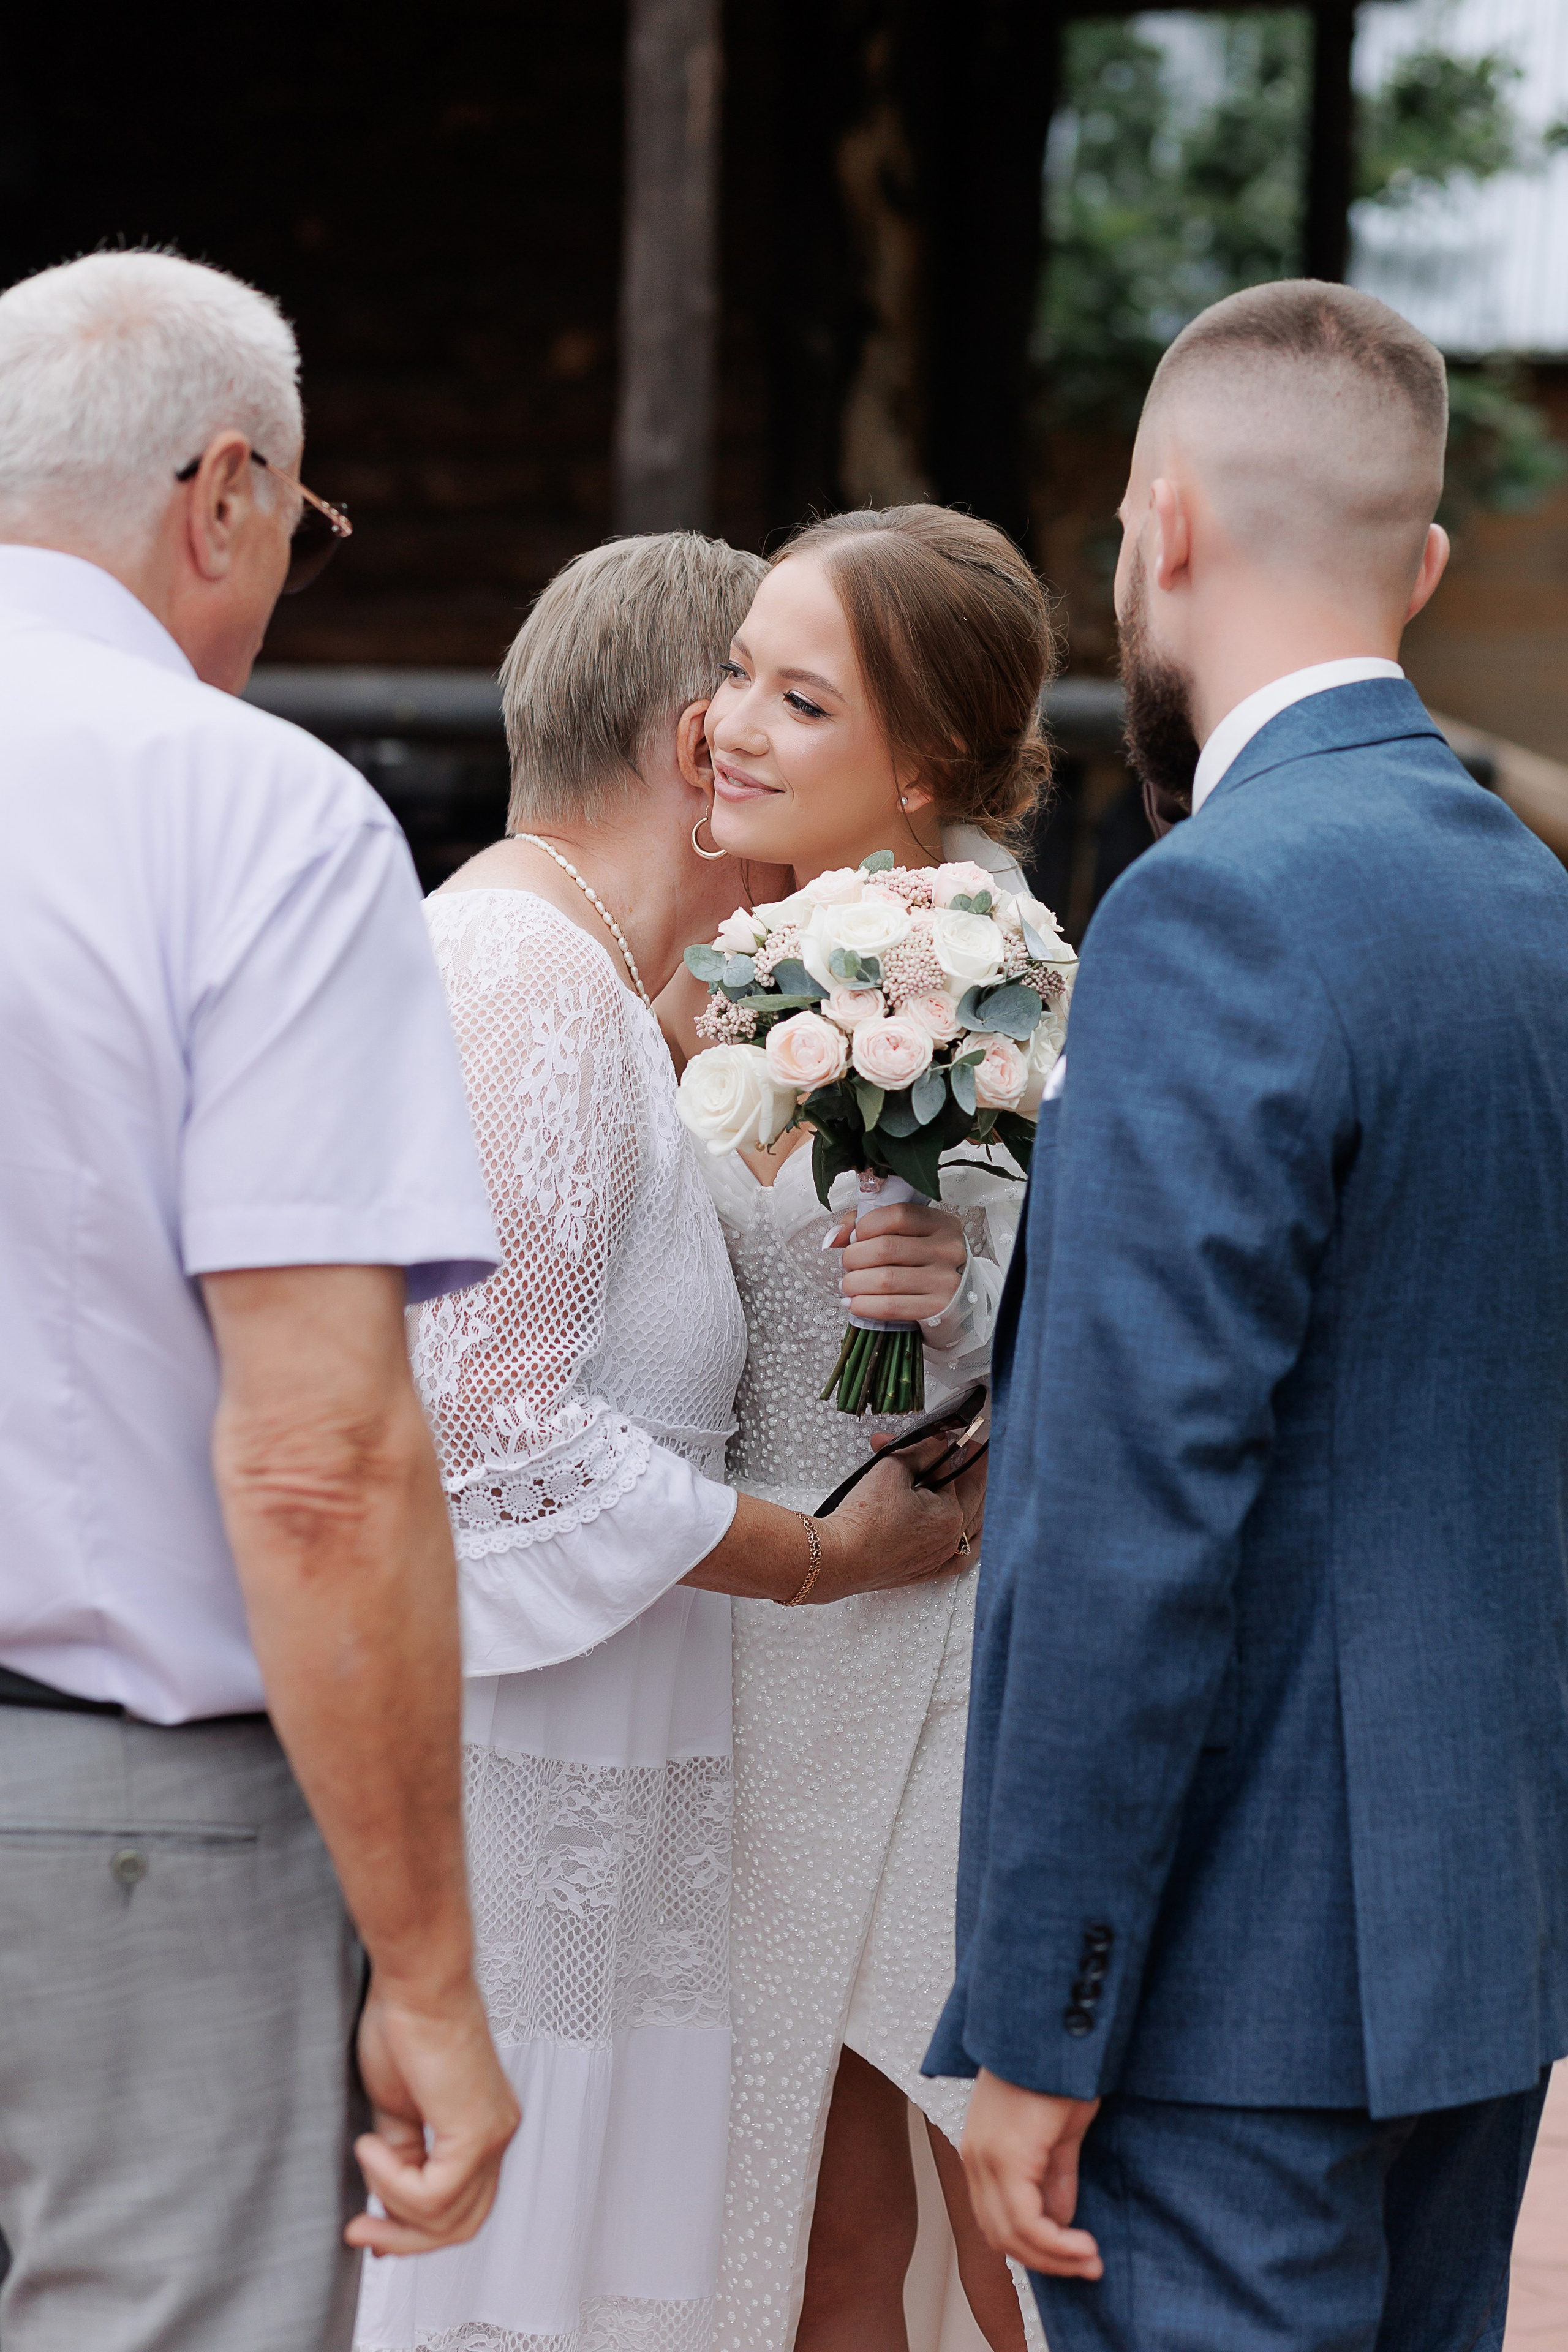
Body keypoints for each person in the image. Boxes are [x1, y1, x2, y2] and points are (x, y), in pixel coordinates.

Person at [929, 279, 1568, 2351]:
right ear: (1433, 565)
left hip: (1228, 1986)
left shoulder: (1216, 904)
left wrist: (1041, 2010)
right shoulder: (1529, 896)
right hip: (1478, 1941)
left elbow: (1131, 1513)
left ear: (1162, 526)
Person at [352, 532, 981, 2352]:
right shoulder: (529, 979)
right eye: (756, 699)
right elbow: (494, 1429)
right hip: (538, 1762)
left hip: (619, 1751)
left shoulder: (597, 983)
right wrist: (822, 1558)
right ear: (692, 743)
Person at [0, 249, 520, 2352]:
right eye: (298, 534)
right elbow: (315, 1458)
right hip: (116, 1811)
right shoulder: (246, 807)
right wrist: (430, 1972)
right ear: (223, 493)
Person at [662, 505, 1068, 2352]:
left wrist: (952, 1309)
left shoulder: (1018, 999)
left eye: (796, 698)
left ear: (922, 768)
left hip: (943, 1670)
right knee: (802, 2220)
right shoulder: (726, 974)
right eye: (739, 671)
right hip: (756, 1653)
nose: (732, 720)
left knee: (1005, 2213)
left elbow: (1077, 1342)